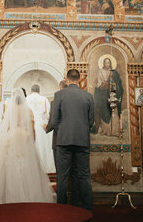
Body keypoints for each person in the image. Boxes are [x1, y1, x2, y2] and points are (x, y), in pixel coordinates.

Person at [0, 88, 54, 212]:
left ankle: (8, 196)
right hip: (24, 139)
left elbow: (5, 128)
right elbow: (32, 130)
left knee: (9, 167)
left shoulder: (10, 110)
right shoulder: (28, 110)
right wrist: (32, 143)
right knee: (26, 168)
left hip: (11, 139)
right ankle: (26, 196)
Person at [52, 69, 94, 211]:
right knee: (84, 176)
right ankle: (87, 209)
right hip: (82, 140)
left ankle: (62, 210)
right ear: (80, 79)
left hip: (63, 141)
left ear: (67, 79)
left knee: (62, 177)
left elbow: (54, 120)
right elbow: (91, 121)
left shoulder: (59, 95)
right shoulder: (88, 96)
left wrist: (63, 131)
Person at [26, 84, 55, 173]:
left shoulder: (26, 99)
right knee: (43, 146)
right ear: (39, 91)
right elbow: (47, 115)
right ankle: (44, 166)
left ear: (31, 91)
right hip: (41, 126)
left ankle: (30, 168)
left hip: (29, 125)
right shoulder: (44, 99)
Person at [93, 57, 123, 136]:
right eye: (106, 62)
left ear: (111, 63)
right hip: (103, 95)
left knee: (114, 112)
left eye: (108, 62)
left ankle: (115, 131)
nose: (107, 64)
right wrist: (106, 82)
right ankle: (106, 131)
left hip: (112, 94)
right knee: (104, 112)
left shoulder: (114, 72)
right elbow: (99, 84)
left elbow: (118, 84)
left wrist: (114, 86)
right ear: (103, 64)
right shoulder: (100, 72)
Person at [43, 79, 68, 168]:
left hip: (59, 139)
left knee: (60, 169)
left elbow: (53, 121)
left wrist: (47, 127)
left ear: (60, 88)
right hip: (74, 139)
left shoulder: (55, 102)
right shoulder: (77, 101)